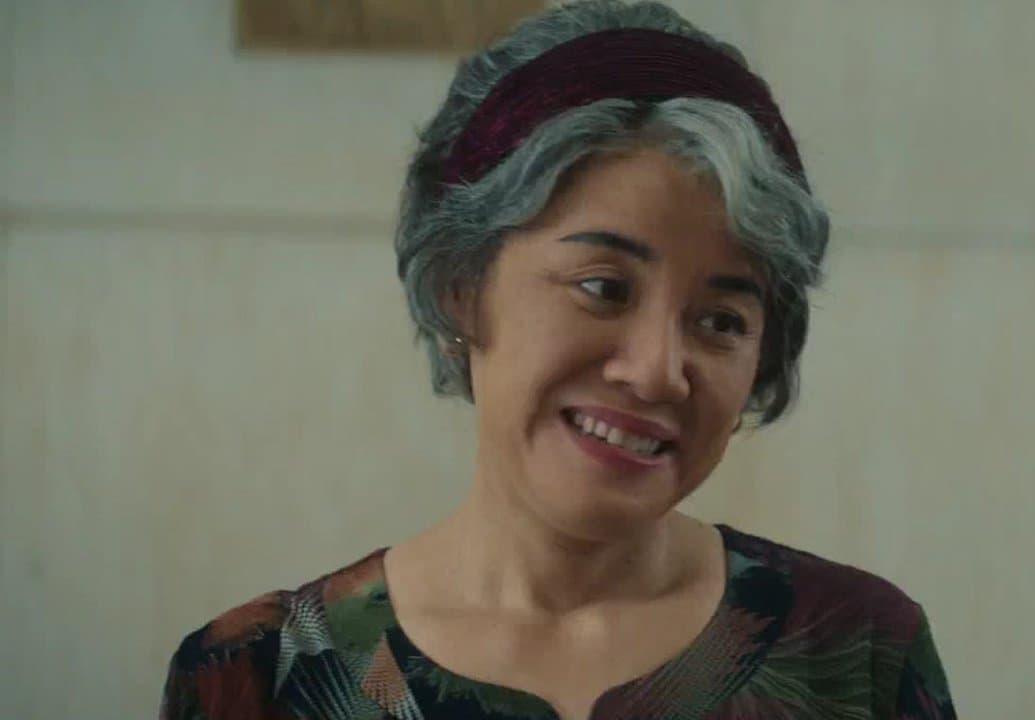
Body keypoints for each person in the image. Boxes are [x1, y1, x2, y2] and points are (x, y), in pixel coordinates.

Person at [159, 1, 956, 718]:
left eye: (720, 320)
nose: (656, 370)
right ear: (461, 287)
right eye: (604, 287)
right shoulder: (257, 680)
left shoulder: (860, 654)